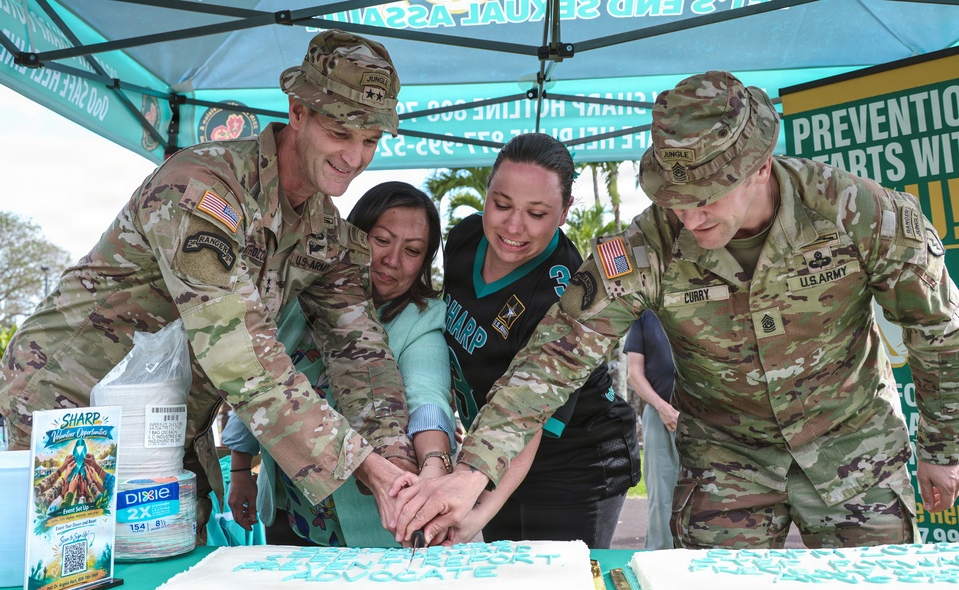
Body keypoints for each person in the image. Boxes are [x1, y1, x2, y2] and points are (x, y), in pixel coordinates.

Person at [393, 70, 959, 550]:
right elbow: (550, 362)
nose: (689, 218)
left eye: (707, 197)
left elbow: (938, 329)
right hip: (725, 457)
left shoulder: (862, 214)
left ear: (760, 166)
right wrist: (471, 473)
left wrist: (943, 448)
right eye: (674, 198)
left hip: (851, 445)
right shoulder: (644, 247)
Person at [0, 29, 418, 541]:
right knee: (58, 577)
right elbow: (238, 352)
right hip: (69, 415)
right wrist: (361, 463)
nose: (355, 157)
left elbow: (362, 354)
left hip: (164, 437)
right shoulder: (200, 189)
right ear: (298, 113)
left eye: (370, 141)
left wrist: (397, 460)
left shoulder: (326, 233)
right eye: (340, 133)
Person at [224, 181, 455, 547]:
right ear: (354, 235)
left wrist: (434, 463)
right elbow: (260, 377)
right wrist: (240, 469)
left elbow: (427, 392)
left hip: (358, 520)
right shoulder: (303, 295)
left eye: (412, 250)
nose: (392, 261)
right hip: (290, 506)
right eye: (381, 240)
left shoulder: (420, 319)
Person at [439, 133, 640, 549]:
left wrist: (476, 514)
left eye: (536, 212)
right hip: (494, 449)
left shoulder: (561, 288)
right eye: (501, 204)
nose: (513, 227)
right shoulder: (462, 239)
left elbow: (530, 414)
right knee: (504, 589)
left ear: (565, 211)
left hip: (575, 459)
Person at [624, 310, 679, 550]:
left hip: (704, 415)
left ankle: (704, 560)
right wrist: (662, 407)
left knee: (711, 492)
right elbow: (633, 374)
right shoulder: (645, 317)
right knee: (661, 496)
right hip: (659, 415)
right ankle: (659, 557)